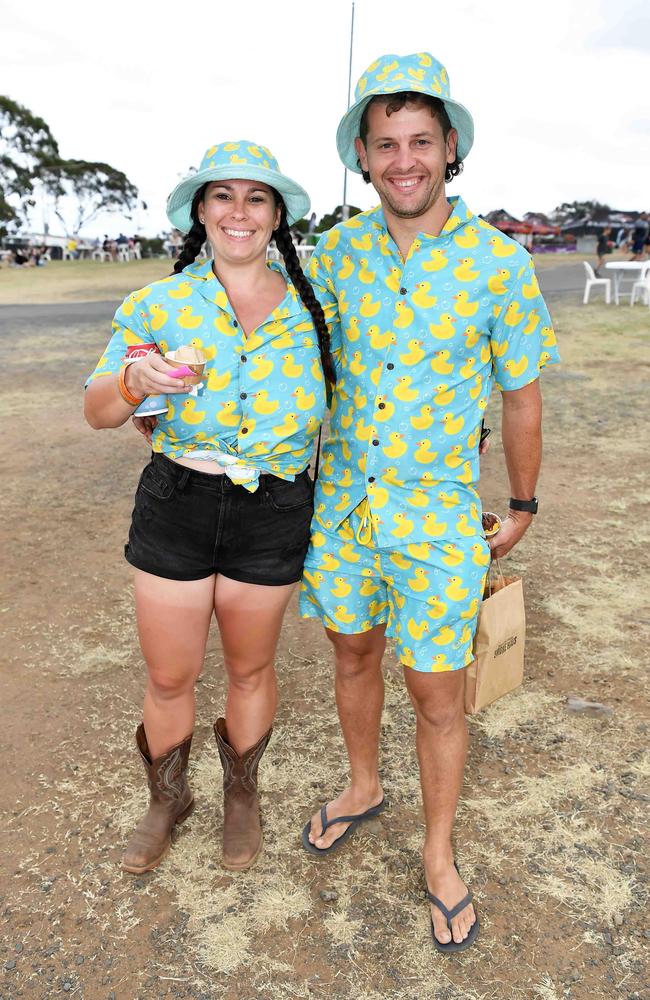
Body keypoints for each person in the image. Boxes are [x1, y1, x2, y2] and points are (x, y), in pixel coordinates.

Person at [298, 52, 560, 954]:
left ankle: (439, 854)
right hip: (340, 513)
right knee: (353, 653)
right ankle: (364, 785)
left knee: (437, 693)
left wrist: (521, 501)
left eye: (420, 141)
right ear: (363, 158)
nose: (403, 160)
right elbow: (270, 330)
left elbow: (520, 394)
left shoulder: (500, 265)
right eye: (384, 144)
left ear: (450, 148)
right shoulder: (333, 257)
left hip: (438, 520)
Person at [84, 140, 334, 876]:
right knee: (170, 675)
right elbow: (98, 410)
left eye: (257, 198)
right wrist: (134, 380)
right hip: (179, 500)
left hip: (276, 505)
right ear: (199, 210)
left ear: (277, 214)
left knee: (252, 670)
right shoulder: (159, 303)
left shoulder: (317, 304)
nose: (239, 211)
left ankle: (241, 795)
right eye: (222, 196)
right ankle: (167, 800)